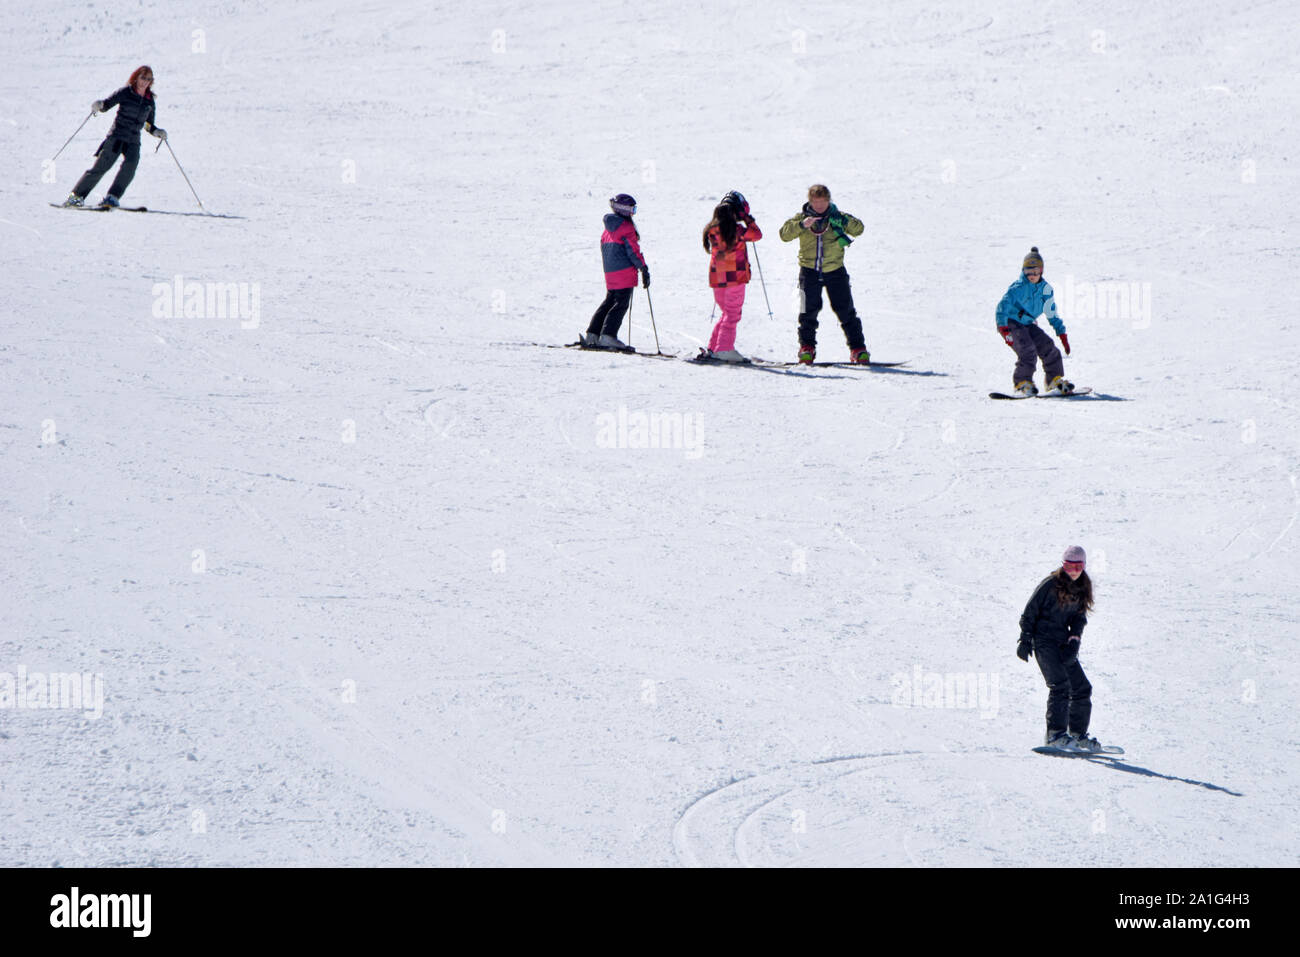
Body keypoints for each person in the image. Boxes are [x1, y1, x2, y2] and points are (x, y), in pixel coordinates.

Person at [1016, 546, 1104, 752]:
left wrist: (1074, 640)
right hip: (1044, 641)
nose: (1073, 570)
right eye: (1068, 565)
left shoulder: (1083, 586)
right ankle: (1055, 734)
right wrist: (1025, 639)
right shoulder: (1050, 584)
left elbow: (1079, 617)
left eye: (1078, 565)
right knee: (1060, 685)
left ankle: (1078, 735)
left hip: (1063, 643)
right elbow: (1030, 611)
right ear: (1062, 564)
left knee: (1082, 688)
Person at [778, 184, 869, 364]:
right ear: (810, 201)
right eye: (816, 202)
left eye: (823, 201)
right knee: (807, 312)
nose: (820, 205)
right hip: (809, 272)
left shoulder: (837, 217)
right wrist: (802, 225)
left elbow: (859, 229)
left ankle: (858, 349)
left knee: (846, 311)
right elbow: (784, 235)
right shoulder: (801, 218)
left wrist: (843, 221)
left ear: (829, 201)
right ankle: (807, 349)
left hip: (835, 270)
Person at [63, 66, 167, 208]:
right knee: (101, 167)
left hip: (133, 140)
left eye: (148, 79)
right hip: (117, 137)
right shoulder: (126, 92)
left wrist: (157, 132)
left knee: (130, 167)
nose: (145, 82)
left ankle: (112, 197)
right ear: (136, 77)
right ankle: (76, 197)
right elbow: (107, 104)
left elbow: (148, 124)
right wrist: (99, 105)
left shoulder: (149, 101)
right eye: (143, 78)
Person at [995, 247, 1074, 395]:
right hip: (1011, 323)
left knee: (1049, 347)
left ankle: (1053, 380)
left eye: (1035, 271)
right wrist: (1003, 326)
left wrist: (1061, 333)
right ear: (1023, 271)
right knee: (1027, 350)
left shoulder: (1046, 290)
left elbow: (1052, 314)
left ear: (1041, 271)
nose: (1032, 275)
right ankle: (1022, 383)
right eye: (1028, 271)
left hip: (1027, 324)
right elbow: (1002, 306)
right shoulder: (1018, 287)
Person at [699, 190, 763, 363]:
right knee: (732, 314)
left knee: (726, 313)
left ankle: (714, 347)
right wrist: (748, 218)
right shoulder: (738, 230)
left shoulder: (712, 230)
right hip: (735, 278)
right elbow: (757, 234)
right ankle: (725, 348)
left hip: (717, 279)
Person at [583, 194, 649, 350]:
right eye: (632, 209)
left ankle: (593, 333)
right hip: (624, 273)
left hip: (611, 274)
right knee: (620, 305)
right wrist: (643, 267)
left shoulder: (608, 230)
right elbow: (633, 251)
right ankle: (608, 336)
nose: (633, 213)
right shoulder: (626, 228)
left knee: (609, 303)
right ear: (624, 210)